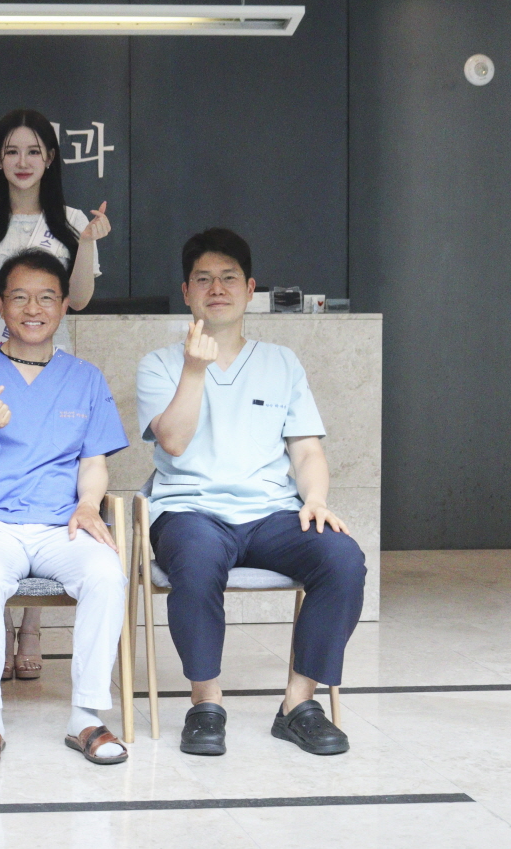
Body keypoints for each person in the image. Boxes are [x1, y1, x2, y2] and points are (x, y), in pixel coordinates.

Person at [136, 228, 366, 757]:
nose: (217, 289)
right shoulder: (160, 364)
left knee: (342, 558)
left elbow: (306, 451)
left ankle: (298, 705)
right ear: (187, 292)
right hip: (189, 510)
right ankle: (206, 704)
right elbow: (173, 441)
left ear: (250, 289)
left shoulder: (281, 362)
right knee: (196, 560)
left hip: (271, 513)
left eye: (229, 278)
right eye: (203, 280)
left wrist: (314, 499)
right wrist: (194, 370)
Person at [0, 249, 130, 769]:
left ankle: (86, 717)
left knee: (107, 574)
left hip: (62, 524)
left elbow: (94, 460)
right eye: (19, 297)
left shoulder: (85, 378)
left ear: (63, 306)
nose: (33, 309)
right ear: (0, 305)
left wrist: (89, 504)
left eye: (46, 298)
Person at [0, 107, 113, 682]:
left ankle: (33, 627)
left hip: (49, 361)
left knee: (49, 475)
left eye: (34, 151)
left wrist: (85, 244)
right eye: (12, 151)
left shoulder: (71, 221)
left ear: (50, 158)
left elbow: (80, 300)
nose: (23, 161)